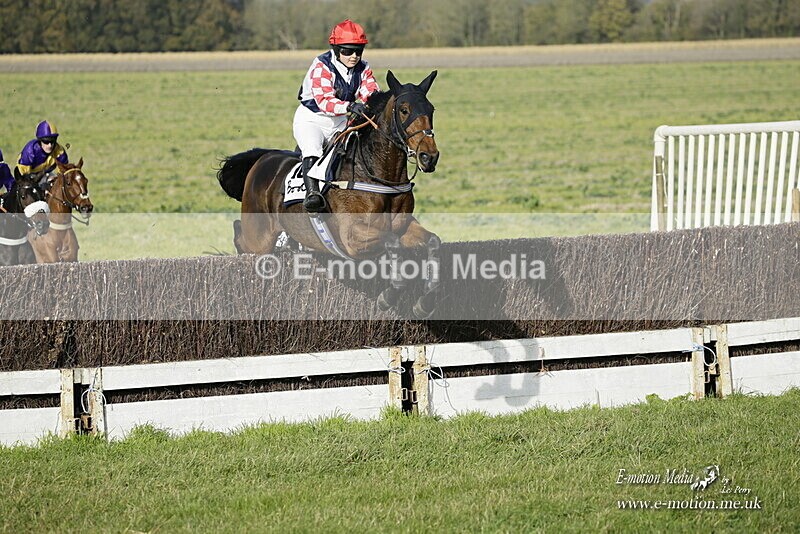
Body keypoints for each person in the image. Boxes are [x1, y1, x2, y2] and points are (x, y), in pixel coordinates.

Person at [294, 19, 380, 212]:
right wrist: (350, 106)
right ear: (335, 49)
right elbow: (324, 101)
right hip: (312, 120)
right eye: (347, 51)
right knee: (313, 149)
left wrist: (375, 103)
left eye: (358, 50)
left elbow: (371, 92)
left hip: (340, 120)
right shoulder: (321, 66)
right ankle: (312, 195)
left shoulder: (364, 68)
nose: (354, 56)